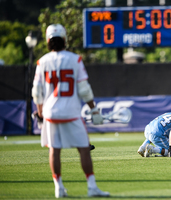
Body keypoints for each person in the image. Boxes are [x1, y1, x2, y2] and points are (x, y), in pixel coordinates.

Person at [31, 24, 109, 198]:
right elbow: (84, 89)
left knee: (54, 150)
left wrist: (41, 112)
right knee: (83, 148)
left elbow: (37, 92)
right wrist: (94, 109)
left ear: (47, 41)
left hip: (51, 112)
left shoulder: (42, 61)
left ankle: (58, 187)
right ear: (64, 39)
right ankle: (91, 186)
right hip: (72, 111)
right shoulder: (75, 59)